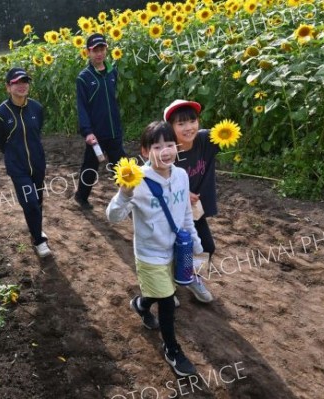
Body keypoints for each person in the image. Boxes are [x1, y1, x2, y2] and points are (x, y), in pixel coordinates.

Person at [106, 121, 202, 376]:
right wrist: (124, 194)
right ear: (145, 152)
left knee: (163, 292)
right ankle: (172, 349)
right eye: (157, 146)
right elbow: (113, 217)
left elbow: (184, 214)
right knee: (168, 301)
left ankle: (140, 304)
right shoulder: (137, 180)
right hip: (149, 254)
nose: (165, 151)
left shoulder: (181, 176)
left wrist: (194, 241)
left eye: (170, 144)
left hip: (174, 249)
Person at [0, 67, 51, 257]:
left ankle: (35, 229)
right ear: (8, 87)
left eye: (24, 81)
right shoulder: (0, 114)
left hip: (38, 163)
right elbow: (1, 142)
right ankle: (39, 240)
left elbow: (36, 132)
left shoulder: (36, 108)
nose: (21, 86)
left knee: (38, 201)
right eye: (16, 82)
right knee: (30, 202)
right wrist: (14, 157)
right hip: (18, 168)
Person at [164, 99, 216, 303]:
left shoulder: (206, 140)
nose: (188, 127)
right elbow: (151, 177)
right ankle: (166, 288)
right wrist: (182, 192)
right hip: (169, 211)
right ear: (171, 128)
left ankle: (192, 277)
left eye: (192, 121)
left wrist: (228, 132)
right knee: (169, 249)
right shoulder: (166, 151)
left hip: (194, 211)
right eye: (181, 123)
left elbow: (227, 132)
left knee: (206, 247)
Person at [74, 33, 126, 210]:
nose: (99, 54)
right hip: (95, 133)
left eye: (102, 49)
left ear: (106, 50)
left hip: (114, 131)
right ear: (88, 52)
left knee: (120, 166)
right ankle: (81, 196)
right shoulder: (84, 78)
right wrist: (87, 131)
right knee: (90, 166)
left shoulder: (112, 71)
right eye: (95, 50)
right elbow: (82, 107)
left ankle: (128, 199)